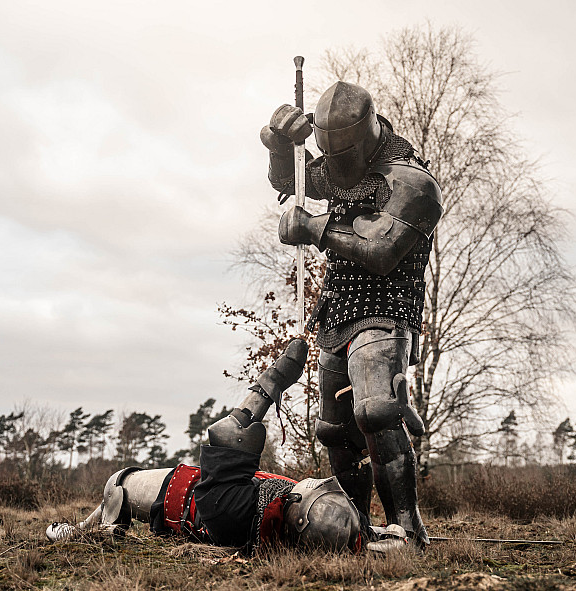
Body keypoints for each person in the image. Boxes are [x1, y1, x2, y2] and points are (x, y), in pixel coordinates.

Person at [260, 81, 443, 548]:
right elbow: (291, 181)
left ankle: (406, 529)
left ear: (364, 139)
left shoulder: (412, 182)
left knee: (376, 412)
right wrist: (279, 146)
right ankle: (356, 528)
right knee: (335, 430)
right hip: (338, 307)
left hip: (385, 307)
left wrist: (314, 228)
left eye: (341, 155)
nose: (334, 168)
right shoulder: (341, 172)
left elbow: (382, 251)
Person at [45, 339, 408, 555]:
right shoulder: (310, 530)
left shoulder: (236, 511)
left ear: (297, 510)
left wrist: (274, 381)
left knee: (117, 484)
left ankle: (85, 529)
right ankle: (89, 524)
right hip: (214, 495)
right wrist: (384, 533)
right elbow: (354, 534)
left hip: (174, 495)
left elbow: (228, 431)